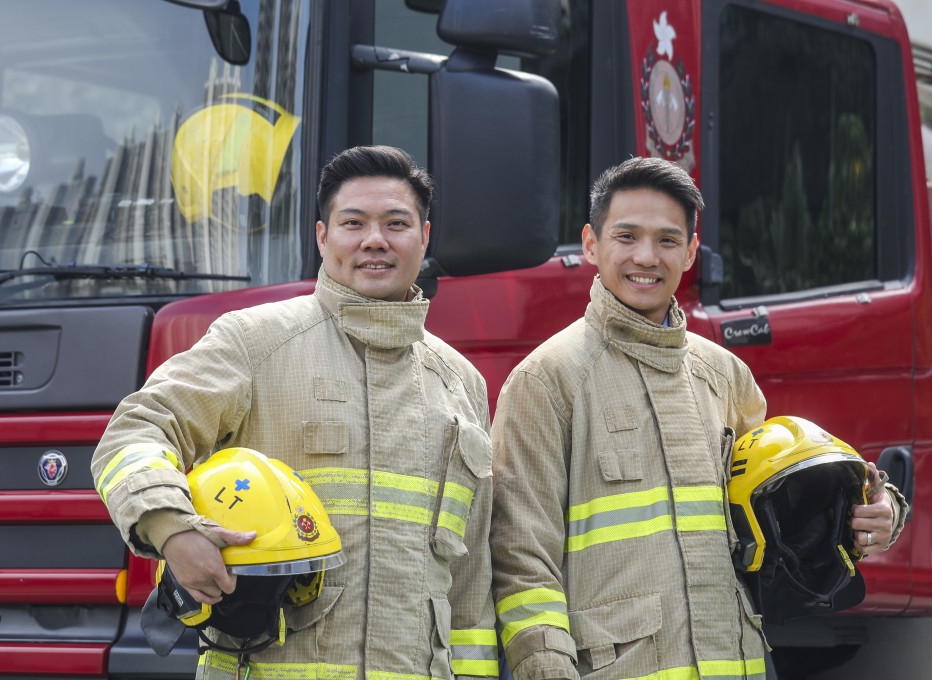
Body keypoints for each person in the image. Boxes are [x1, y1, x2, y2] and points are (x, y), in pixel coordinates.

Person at [488, 156, 906, 680]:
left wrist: (879, 509)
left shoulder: (724, 375)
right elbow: (520, 558)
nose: (647, 256)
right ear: (592, 245)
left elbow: (793, 513)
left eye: (667, 240)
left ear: (689, 253)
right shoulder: (546, 381)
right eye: (626, 236)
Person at [92, 145, 498, 680]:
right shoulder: (254, 342)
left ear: (424, 238)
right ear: (322, 237)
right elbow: (134, 433)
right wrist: (172, 530)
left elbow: (468, 587)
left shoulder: (460, 382)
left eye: (396, 223)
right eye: (353, 222)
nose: (375, 239)